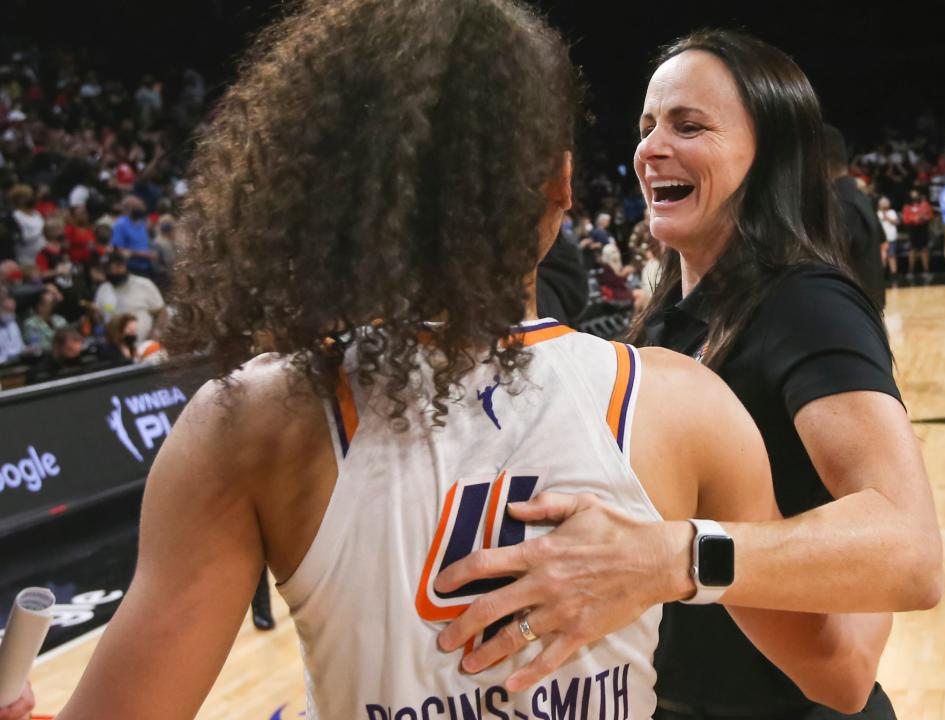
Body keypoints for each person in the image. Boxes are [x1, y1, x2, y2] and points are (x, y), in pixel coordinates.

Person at [55, 4, 889, 719]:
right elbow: (841, 672)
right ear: (562, 186)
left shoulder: (249, 420)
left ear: (334, 184)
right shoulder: (685, 402)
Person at [437, 29, 941, 720]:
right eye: (646, 126)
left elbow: (909, 550)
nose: (650, 149)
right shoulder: (671, 317)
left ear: (769, 157)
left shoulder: (806, 303)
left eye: (688, 125)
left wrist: (674, 556)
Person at [825, 124, 887, 310]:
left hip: (850, 314)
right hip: (865, 310)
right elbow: (883, 243)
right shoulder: (858, 196)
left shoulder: (841, 205)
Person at [93, 252, 166, 342]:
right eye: (110, 268)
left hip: (144, 344)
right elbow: (99, 316)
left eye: (118, 267)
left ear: (125, 266)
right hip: (117, 348)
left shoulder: (144, 284)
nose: (114, 271)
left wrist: (155, 334)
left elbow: (162, 312)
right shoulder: (103, 289)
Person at [110, 195, 156, 277]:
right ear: (129, 208)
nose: (141, 209)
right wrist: (142, 254)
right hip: (131, 269)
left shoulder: (141, 223)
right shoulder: (120, 225)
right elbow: (117, 249)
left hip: (147, 268)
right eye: (137, 206)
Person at [9, 184, 44, 267]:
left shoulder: (36, 214)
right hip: (27, 259)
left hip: (43, 256)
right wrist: (41, 230)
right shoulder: (15, 216)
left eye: (31, 195)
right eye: (27, 196)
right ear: (19, 199)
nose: (31, 198)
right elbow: (23, 238)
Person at [901, 188, 934, 277]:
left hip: (923, 228)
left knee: (924, 249)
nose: (914, 196)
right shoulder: (907, 207)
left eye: (916, 194)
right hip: (912, 229)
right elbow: (905, 219)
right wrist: (915, 219)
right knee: (912, 249)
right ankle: (910, 271)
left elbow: (930, 216)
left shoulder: (925, 204)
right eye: (913, 194)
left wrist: (924, 218)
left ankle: (926, 271)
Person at [876, 196, 899, 278]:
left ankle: (894, 274)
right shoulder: (877, 213)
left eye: (886, 202)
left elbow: (896, 222)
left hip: (891, 238)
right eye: (883, 203)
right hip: (881, 240)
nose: (885, 204)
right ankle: (882, 275)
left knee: (892, 256)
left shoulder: (892, 212)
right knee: (882, 257)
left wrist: (887, 218)